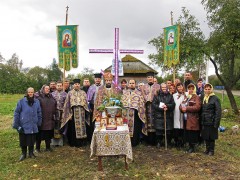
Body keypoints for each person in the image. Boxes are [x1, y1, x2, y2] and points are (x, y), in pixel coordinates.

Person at [13, 87, 42, 161]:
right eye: (29, 92)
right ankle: (23, 154)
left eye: (32, 92)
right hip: (24, 124)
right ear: (27, 93)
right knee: (23, 140)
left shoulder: (37, 102)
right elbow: (16, 113)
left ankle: (31, 153)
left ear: (34, 93)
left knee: (32, 139)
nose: (30, 93)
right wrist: (17, 125)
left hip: (33, 124)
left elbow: (39, 112)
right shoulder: (21, 101)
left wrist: (39, 122)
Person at [61, 79, 90, 147]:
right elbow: (67, 104)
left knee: (83, 127)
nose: (77, 85)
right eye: (75, 84)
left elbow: (86, 102)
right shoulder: (70, 93)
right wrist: (69, 114)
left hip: (82, 112)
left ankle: (82, 142)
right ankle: (74, 143)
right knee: (73, 128)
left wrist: (87, 110)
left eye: (78, 84)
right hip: (73, 112)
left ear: (80, 85)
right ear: (73, 85)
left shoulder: (83, 92)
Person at [121, 79, 147, 146]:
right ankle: (126, 142)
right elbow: (122, 102)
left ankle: (134, 142)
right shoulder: (125, 93)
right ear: (128, 84)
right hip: (126, 113)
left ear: (135, 84)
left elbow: (141, 103)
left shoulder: (139, 93)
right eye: (130, 83)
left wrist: (137, 107)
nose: (131, 84)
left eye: (133, 83)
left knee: (135, 128)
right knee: (125, 127)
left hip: (135, 113)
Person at [152, 83, 175, 149]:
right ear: (160, 88)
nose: (164, 89)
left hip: (168, 116)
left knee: (168, 131)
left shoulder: (170, 96)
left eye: (165, 87)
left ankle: (168, 143)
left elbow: (173, 104)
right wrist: (162, 107)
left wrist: (167, 106)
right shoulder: (156, 95)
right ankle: (159, 142)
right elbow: (154, 104)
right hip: (159, 116)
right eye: (162, 87)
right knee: (159, 130)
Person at [180, 84, 201, 153]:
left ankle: (192, 147)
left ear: (194, 89)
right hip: (186, 118)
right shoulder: (186, 97)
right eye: (189, 89)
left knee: (192, 133)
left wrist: (187, 108)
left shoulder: (196, 97)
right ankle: (189, 146)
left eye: (192, 89)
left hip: (192, 118)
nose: (190, 90)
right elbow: (181, 105)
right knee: (188, 133)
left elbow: (197, 107)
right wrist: (181, 108)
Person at [201, 83, 221, 156]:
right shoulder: (203, 97)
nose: (207, 90)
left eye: (209, 89)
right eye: (206, 89)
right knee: (206, 136)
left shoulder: (215, 98)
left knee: (211, 137)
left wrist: (216, 122)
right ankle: (207, 149)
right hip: (205, 120)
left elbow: (218, 111)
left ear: (211, 89)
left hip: (212, 121)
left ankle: (211, 151)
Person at [36, 85, 57, 152]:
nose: (48, 90)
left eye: (48, 89)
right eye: (46, 88)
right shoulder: (39, 98)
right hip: (42, 119)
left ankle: (48, 147)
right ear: (43, 89)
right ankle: (37, 148)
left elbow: (55, 106)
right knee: (39, 135)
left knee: (48, 134)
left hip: (50, 119)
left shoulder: (51, 97)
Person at [141, 71, 160, 145]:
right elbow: (142, 96)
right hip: (147, 107)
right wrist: (147, 99)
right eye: (148, 77)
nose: (150, 79)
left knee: (155, 123)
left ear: (153, 78)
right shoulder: (143, 87)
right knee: (147, 123)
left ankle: (155, 141)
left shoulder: (158, 86)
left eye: (151, 77)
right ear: (147, 78)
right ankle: (148, 141)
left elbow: (159, 96)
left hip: (155, 108)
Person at [87, 73, 102, 142]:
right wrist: (89, 107)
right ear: (94, 79)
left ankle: (101, 137)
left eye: (99, 79)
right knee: (93, 122)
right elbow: (88, 99)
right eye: (96, 79)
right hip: (92, 107)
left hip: (101, 107)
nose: (97, 80)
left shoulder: (103, 87)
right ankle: (92, 139)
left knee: (101, 121)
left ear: (100, 79)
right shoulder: (91, 87)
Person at [51, 81, 67, 146]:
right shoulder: (52, 94)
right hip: (54, 112)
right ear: (56, 86)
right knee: (54, 126)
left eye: (60, 85)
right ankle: (54, 142)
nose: (59, 87)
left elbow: (67, 104)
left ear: (62, 86)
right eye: (58, 85)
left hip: (62, 112)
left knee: (61, 126)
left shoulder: (65, 94)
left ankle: (60, 142)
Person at [173, 83, 185, 148]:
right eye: (178, 87)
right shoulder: (174, 95)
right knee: (176, 128)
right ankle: (176, 142)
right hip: (176, 114)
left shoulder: (185, 95)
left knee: (182, 128)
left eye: (181, 87)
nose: (180, 88)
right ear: (177, 88)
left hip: (183, 114)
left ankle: (182, 142)